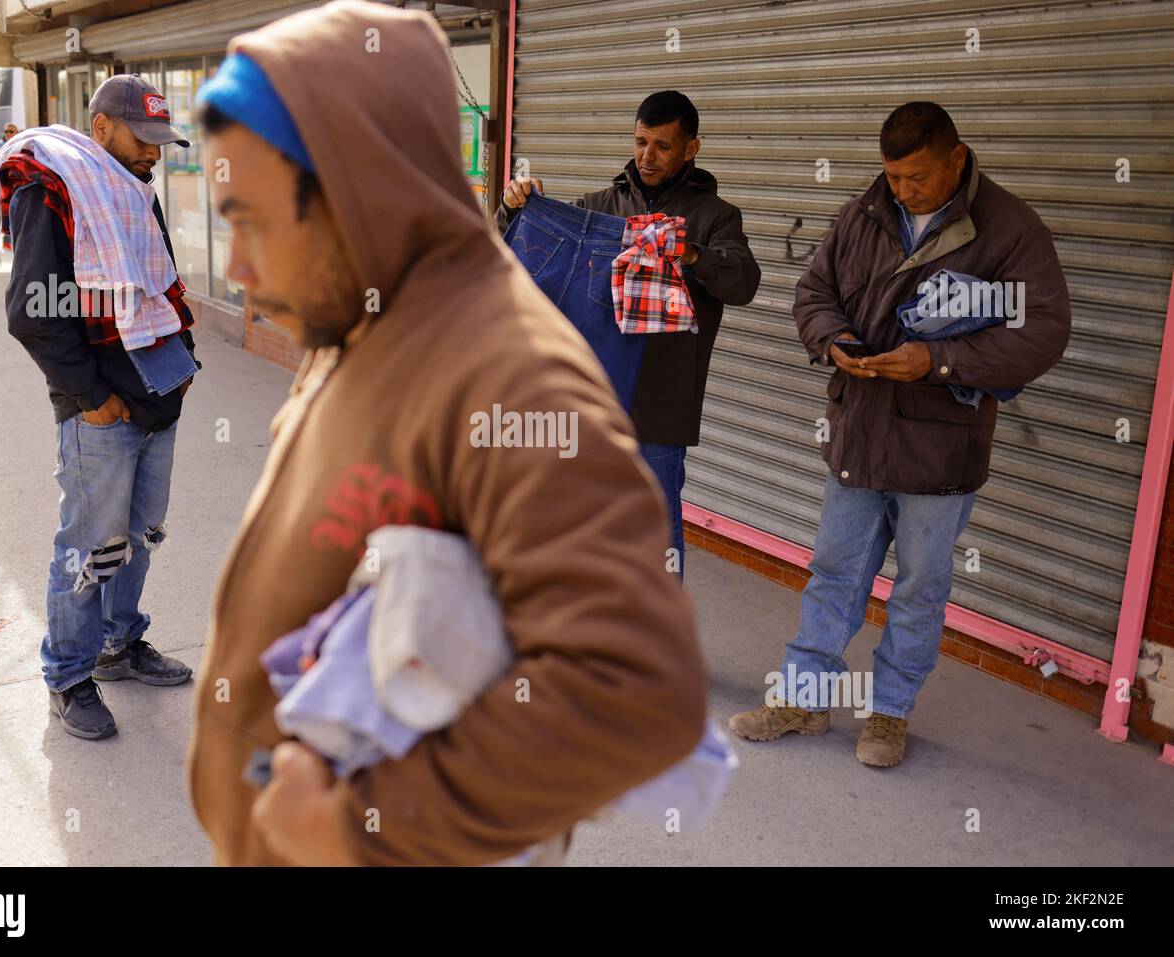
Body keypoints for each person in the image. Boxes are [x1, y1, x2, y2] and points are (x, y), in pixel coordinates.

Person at [186, 0, 706, 866]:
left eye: (252, 221)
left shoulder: (510, 377)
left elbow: (634, 690)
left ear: (357, 190)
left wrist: (364, 823)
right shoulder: (358, 319)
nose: (236, 268)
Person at [729, 102, 1071, 767]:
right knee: (833, 572)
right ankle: (803, 697)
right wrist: (835, 343)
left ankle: (889, 715)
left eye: (916, 178)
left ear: (957, 157)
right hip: (859, 434)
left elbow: (1042, 332)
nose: (902, 191)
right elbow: (813, 291)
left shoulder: (1010, 229)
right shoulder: (865, 212)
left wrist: (939, 362)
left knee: (918, 590)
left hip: (940, 451)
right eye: (893, 177)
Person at [0, 74, 200, 740]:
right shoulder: (49, 189)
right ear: (102, 127)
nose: (155, 154)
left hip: (157, 392)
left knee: (138, 539)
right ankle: (68, 676)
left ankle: (119, 643)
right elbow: (33, 314)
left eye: (162, 142)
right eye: (144, 139)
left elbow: (160, 282)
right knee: (91, 546)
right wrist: (94, 397)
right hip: (102, 408)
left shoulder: (131, 190)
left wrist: (183, 360)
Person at [495, 91, 761, 576]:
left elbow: (744, 282)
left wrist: (692, 255)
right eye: (640, 142)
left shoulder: (716, 217)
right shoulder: (599, 207)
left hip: (660, 405)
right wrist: (515, 210)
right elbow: (533, 254)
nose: (647, 156)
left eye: (662, 145)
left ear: (691, 148)